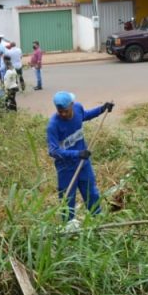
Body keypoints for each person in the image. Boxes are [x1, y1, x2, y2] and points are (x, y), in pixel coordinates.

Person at [47, 92, 114, 221]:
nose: (63, 114)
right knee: (68, 197)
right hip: (66, 167)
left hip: (83, 163)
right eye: (60, 111)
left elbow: (85, 115)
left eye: (65, 111)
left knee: (91, 192)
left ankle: (97, 219)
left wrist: (102, 109)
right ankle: (69, 225)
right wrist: (77, 154)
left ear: (72, 105)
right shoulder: (53, 125)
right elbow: (53, 151)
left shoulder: (78, 109)